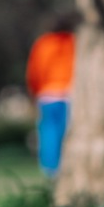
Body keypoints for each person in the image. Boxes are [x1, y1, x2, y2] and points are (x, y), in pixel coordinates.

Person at [25, 19, 76, 178]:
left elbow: (35, 71)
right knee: (67, 133)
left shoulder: (43, 44)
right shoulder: (73, 43)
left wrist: (33, 92)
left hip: (47, 95)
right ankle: (68, 166)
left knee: (49, 133)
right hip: (70, 93)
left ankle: (51, 170)